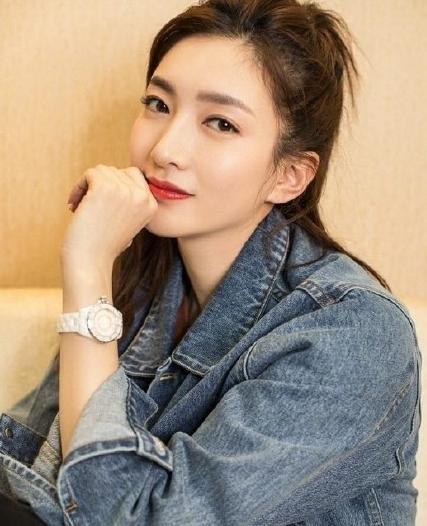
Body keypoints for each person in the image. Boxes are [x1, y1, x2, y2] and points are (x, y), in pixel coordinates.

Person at [0, 0, 421, 524]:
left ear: (288, 175)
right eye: (158, 104)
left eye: (220, 123)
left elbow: (136, 519)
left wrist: (86, 267)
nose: (165, 149)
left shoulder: (353, 332)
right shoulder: (144, 283)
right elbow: (33, 470)